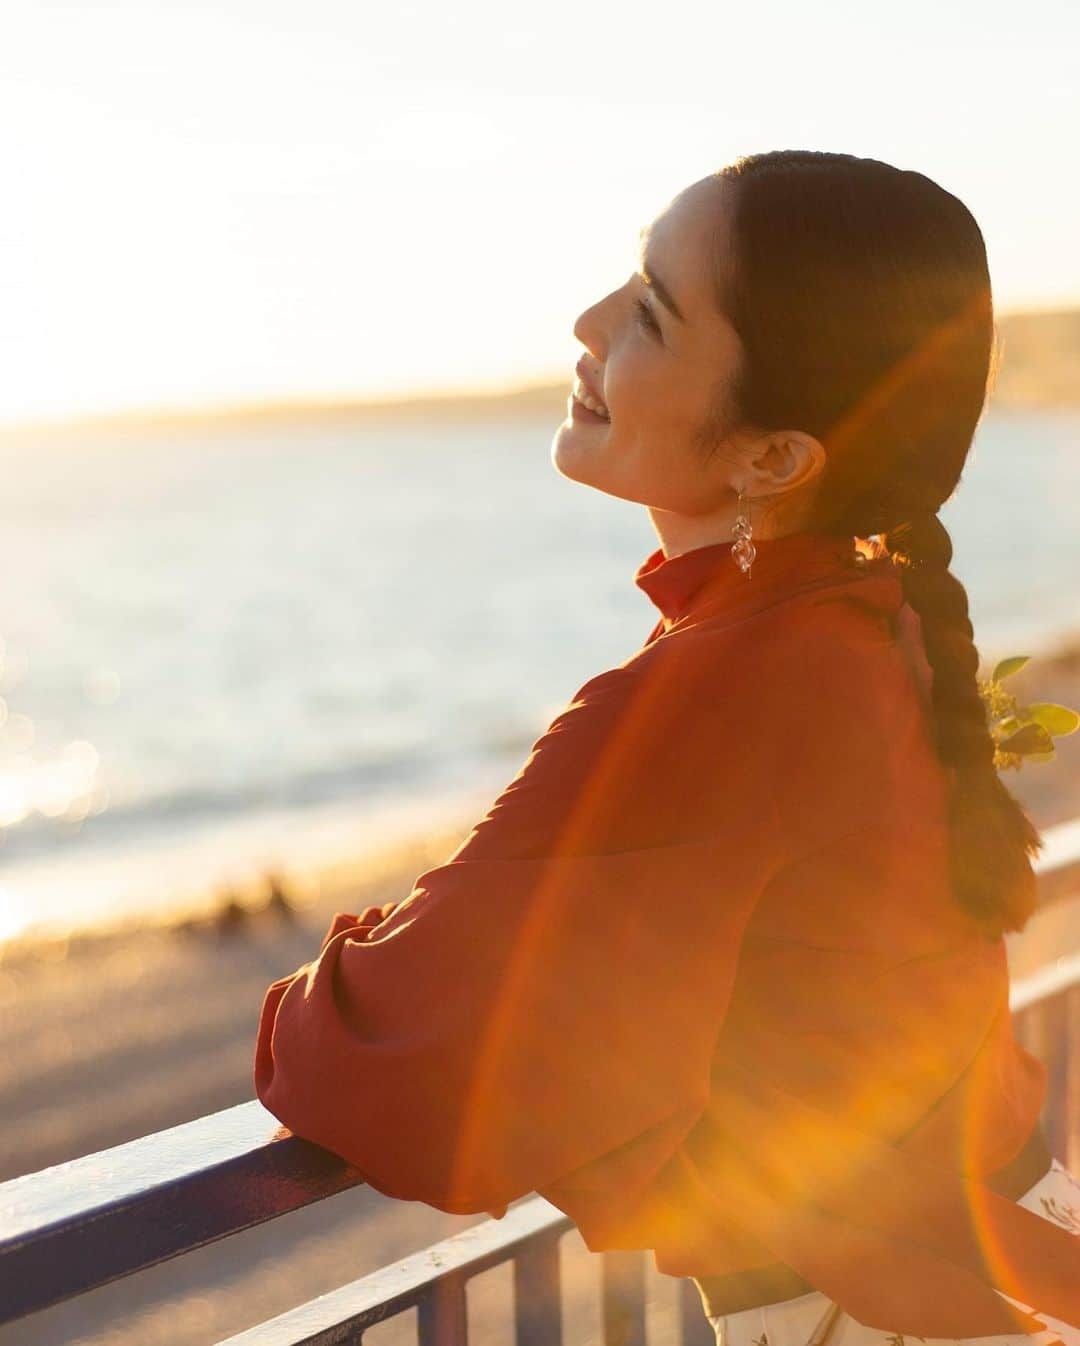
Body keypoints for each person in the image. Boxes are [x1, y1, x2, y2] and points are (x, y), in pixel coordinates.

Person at [254, 151, 1080, 1344]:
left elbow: (386, 1063)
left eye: (649, 311)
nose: (586, 325)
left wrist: (302, 995)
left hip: (885, 1311)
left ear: (775, 457)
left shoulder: (736, 680)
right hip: (1011, 1241)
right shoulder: (863, 610)